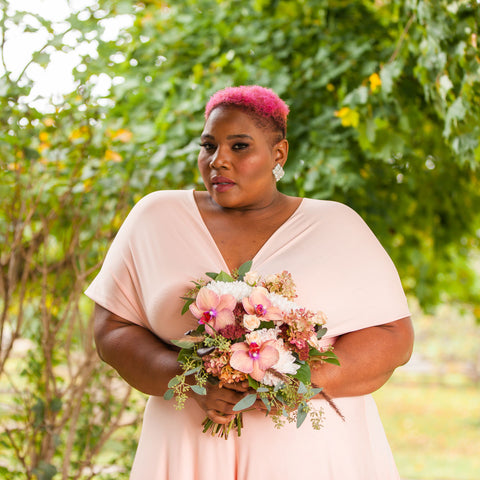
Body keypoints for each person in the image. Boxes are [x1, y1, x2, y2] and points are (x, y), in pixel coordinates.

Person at [85, 85, 414, 479]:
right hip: (189, 444)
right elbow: (111, 328)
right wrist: (190, 380)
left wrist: (290, 383)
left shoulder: (336, 226)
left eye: (239, 146)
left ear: (279, 154)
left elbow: (393, 336)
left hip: (306, 454)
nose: (218, 161)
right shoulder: (155, 217)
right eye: (208, 146)